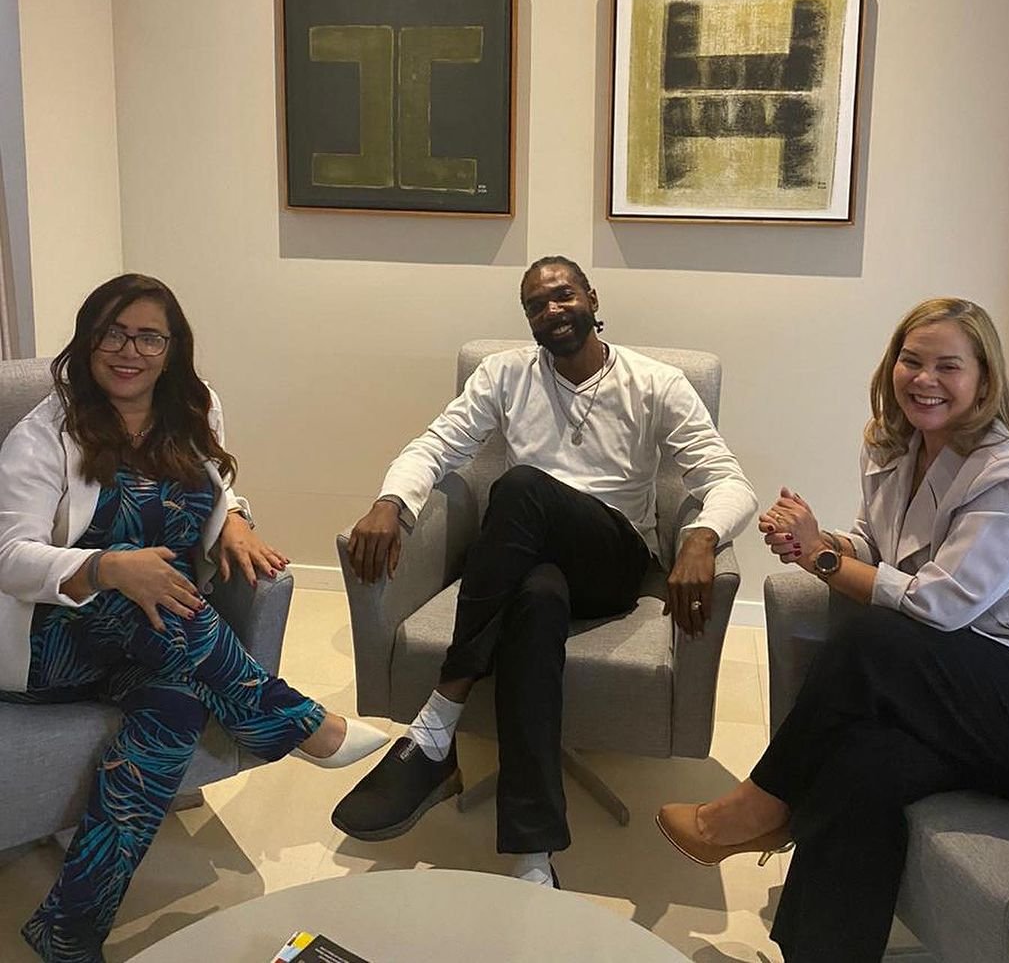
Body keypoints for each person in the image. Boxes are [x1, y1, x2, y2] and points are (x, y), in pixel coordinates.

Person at [656, 296, 1009, 963]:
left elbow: (940, 606)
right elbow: (877, 546)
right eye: (913, 361)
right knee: (861, 765)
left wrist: (826, 562)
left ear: (984, 381)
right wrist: (818, 542)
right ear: (892, 366)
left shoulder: (1008, 477)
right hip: (971, 696)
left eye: (949, 366)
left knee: (871, 640)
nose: (926, 379)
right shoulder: (892, 445)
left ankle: (760, 805)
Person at [0, 274, 389, 963]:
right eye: (113, 334)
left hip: (155, 645)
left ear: (172, 347)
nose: (130, 351)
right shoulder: (46, 433)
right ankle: (292, 720)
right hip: (52, 640)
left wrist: (235, 519)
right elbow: (8, 556)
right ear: (87, 341)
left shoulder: (195, 407)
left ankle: (69, 933)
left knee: (175, 707)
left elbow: (215, 489)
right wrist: (106, 568)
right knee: (141, 594)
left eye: (149, 337)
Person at [335, 255, 757, 887]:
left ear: (592, 298)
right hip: (528, 562)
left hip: (612, 559)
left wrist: (701, 537)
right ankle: (533, 858)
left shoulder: (656, 383)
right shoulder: (505, 375)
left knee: (521, 486)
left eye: (563, 296)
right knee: (534, 600)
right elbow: (437, 445)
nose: (552, 311)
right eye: (536, 305)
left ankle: (439, 718)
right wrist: (390, 501)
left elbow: (728, 480)